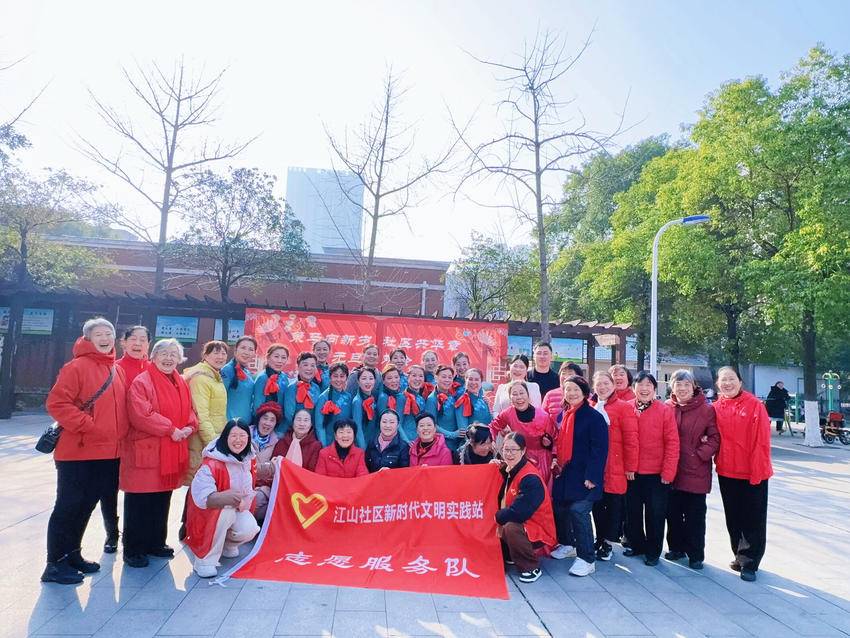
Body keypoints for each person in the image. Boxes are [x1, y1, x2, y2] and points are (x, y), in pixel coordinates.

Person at [43, 317, 128, 584]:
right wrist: (89, 425)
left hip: (108, 453)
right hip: (77, 452)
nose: (105, 338)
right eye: (99, 334)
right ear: (87, 339)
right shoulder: (76, 367)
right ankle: (54, 564)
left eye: (109, 333)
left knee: (86, 506)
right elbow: (57, 403)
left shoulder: (116, 369)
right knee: (68, 505)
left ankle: (72, 554)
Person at [122, 338, 197, 568]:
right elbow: (141, 414)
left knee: (162, 498)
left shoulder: (180, 381)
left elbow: (190, 410)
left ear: (180, 359)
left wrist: (190, 426)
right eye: (164, 353)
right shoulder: (142, 381)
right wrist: (170, 429)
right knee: (140, 501)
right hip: (148, 449)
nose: (168, 358)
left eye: (174, 354)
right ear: (153, 357)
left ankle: (156, 542)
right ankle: (133, 549)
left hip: (171, 448)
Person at [713, 366, 772, 582]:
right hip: (727, 470)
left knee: (753, 518)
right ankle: (738, 555)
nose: (727, 383)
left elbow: (762, 441)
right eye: (723, 380)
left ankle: (750, 562)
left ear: (740, 382)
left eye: (731, 379)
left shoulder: (755, 405)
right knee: (733, 516)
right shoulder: (716, 407)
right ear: (717, 384)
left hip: (752, 471)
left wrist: (757, 471)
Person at [549, 375, 608, 576]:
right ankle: (568, 544)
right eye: (568, 389)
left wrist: (592, 476)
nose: (571, 393)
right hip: (567, 472)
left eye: (576, 389)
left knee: (578, 511)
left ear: (584, 392)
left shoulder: (594, 417)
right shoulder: (566, 414)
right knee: (560, 507)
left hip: (586, 476)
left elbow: (600, 450)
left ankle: (587, 558)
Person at [186, 420, 260, 578]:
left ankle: (226, 545)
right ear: (225, 437)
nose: (238, 440)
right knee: (225, 512)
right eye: (233, 435)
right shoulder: (211, 463)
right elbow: (202, 498)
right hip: (208, 515)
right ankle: (204, 560)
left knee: (250, 528)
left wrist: (270, 468)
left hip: (235, 509)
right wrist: (225, 498)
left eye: (242, 435)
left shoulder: (248, 459)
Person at [664, 369, 720, 570]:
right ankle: (676, 547)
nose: (682, 388)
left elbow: (714, 438)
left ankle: (696, 554)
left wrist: (699, 455)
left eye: (686, 384)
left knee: (695, 515)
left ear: (694, 386)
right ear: (672, 387)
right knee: (673, 513)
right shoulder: (667, 407)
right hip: (672, 470)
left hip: (696, 470)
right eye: (678, 384)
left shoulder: (706, 409)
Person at [623, 371, 680, 567]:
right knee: (632, 512)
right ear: (633, 388)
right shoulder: (627, 408)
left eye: (649, 385)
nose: (644, 388)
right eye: (640, 384)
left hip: (657, 474)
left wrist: (668, 472)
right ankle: (637, 544)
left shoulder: (664, 410)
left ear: (655, 389)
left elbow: (672, 442)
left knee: (655, 514)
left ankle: (653, 551)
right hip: (632, 472)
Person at [106, 324, 150, 552]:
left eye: (143, 339)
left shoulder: (153, 369)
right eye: (133, 338)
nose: (138, 343)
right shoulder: (114, 368)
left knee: (140, 489)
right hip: (118, 438)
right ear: (123, 342)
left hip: (145, 440)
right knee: (110, 486)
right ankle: (112, 533)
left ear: (149, 345)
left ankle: (143, 535)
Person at [589, 371, 639, 562]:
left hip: (616, 465)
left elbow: (631, 440)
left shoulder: (623, 407)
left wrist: (630, 467)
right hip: (596, 467)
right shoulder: (591, 406)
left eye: (606, 383)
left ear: (613, 385)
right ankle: (599, 537)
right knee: (597, 505)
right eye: (598, 384)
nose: (602, 387)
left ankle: (608, 543)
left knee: (613, 507)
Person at [497, 432, 557, 583]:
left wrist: (496, 517)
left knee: (510, 526)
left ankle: (531, 567)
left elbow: (519, 512)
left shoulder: (530, 478)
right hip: (524, 522)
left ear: (523, 451)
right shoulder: (511, 469)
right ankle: (511, 554)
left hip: (538, 527)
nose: (509, 454)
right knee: (505, 522)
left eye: (513, 450)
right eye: (506, 449)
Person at [490, 381, 556, 486]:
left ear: (528, 396)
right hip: (519, 457)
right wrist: (491, 441)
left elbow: (555, 438)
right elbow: (493, 426)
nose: (519, 397)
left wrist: (551, 447)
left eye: (521, 393)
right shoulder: (508, 413)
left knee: (539, 488)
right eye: (514, 394)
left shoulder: (543, 416)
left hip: (542, 459)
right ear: (510, 398)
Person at [183, 341, 229, 484]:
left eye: (223, 353)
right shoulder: (201, 378)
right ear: (205, 356)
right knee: (198, 484)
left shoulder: (214, 376)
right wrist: (213, 443)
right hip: (202, 441)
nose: (220, 357)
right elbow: (201, 414)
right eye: (216, 353)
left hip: (212, 437)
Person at [250, 401, 281, 521]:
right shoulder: (244, 434)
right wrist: (266, 467)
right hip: (243, 482)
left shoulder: (277, 442)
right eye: (265, 418)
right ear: (259, 419)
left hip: (262, 488)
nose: (268, 423)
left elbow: (274, 470)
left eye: (272, 420)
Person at [220, 335, 257, 425]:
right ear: (236, 350)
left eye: (251, 349)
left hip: (245, 425)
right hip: (230, 425)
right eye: (243, 348)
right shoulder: (227, 370)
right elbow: (219, 399)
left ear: (254, 354)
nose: (246, 352)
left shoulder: (247, 372)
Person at [272, 407, 322, 471]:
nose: (302, 424)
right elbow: (273, 465)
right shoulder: (282, 442)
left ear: (311, 424)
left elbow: (312, 472)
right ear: (293, 423)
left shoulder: (316, 446)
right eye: (298, 419)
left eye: (306, 420)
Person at [314, 363, 353, 446]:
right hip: (329, 445)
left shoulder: (349, 397)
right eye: (335, 376)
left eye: (342, 376)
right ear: (330, 377)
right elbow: (319, 427)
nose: (338, 380)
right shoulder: (323, 398)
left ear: (346, 378)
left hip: (345, 443)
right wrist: (324, 448)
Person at [425, 365, 462, 450]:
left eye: (450, 377)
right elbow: (431, 424)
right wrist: (452, 434)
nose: (447, 380)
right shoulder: (432, 399)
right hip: (442, 445)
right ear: (436, 378)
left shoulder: (452, 395)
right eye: (444, 377)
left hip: (456, 443)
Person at [283, 352, 321, 427]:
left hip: (312, 429)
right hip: (295, 429)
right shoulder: (292, 388)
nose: (309, 368)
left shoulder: (316, 388)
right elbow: (289, 415)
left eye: (313, 365)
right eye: (305, 365)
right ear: (298, 367)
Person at [252, 344, 290, 417]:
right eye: (276, 356)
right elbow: (257, 406)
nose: (280, 361)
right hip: (267, 420)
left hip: (281, 419)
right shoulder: (263, 378)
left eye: (283, 357)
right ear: (268, 357)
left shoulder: (284, 377)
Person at [351, 367, 379, 448]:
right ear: (358, 382)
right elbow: (358, 428)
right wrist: (363, 448)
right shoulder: (357, 402)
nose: (368, 382)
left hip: (373, 442)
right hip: (363, 444)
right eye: (364, 378)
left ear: (375, 380)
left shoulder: (372, 398)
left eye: (371, 378)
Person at [400, 365, 428, 442]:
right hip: (405, 442)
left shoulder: (421, 399)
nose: (417, 379)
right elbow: (398, 423)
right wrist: (407, 441)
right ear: (408, 378)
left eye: (421, 376)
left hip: (420, 440)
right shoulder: (402, 397)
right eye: (414, 375)